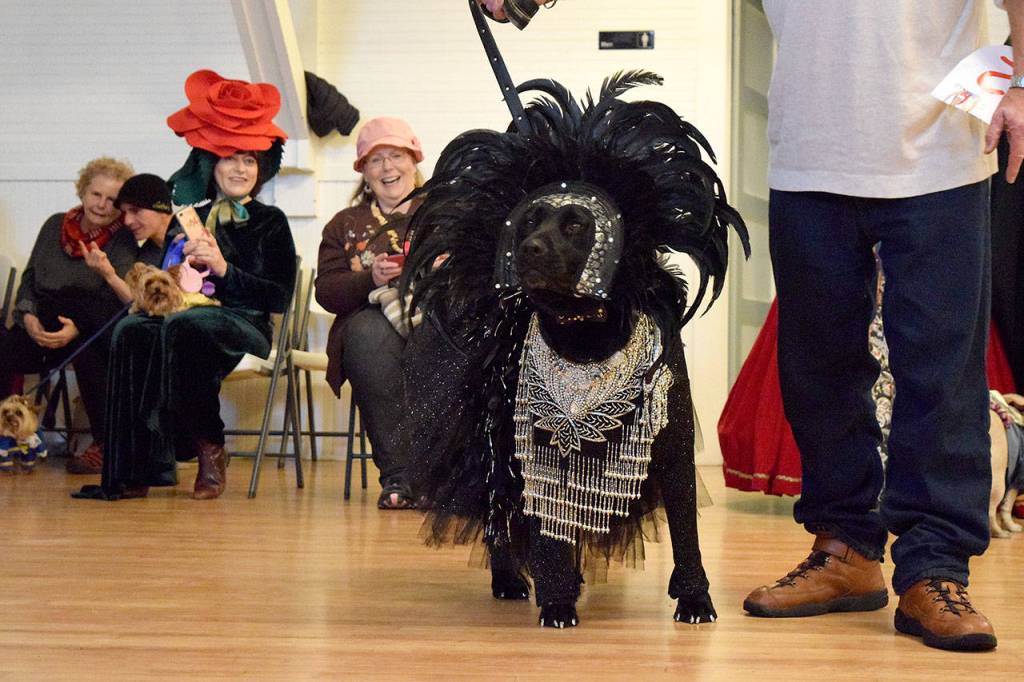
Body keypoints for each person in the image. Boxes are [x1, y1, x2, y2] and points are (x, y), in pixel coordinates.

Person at [741, 0, 1024, 653]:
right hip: (810, 149)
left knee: (941, 378)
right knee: (820, 370)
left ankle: (934, 571)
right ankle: (844, 549)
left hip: (941, 150)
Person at [74, 69, 296, 501]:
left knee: (187, 327)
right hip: (188, 316)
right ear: (211, 163)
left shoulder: (272, 222)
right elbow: (174, 291)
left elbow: (278, 297)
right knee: (132, 330)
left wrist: (224, 269)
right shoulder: (186, 219)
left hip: (244, 322)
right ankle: (133, 467)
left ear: (261, 167)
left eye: (249, 159)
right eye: (230, 157)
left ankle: (206, 446)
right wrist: (173, 271)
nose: (239, 167)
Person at [0, 157, 141, 475]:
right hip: (42, 319)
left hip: (87, 326)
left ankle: (105, 446)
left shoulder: (123, 239)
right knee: (3, 345)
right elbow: (30, 278)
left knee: (92, 353)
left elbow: (114, 300)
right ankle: (6, 434)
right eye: (96, 195)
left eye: (112, 200)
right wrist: (29, 317)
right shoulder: (54, 225)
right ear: (82, 191)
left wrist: (76, 329)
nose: (102, 206)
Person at [316, 117, 425, 509]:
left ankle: (449, 475)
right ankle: (399, 476)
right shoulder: (344, 224)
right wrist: (369, 279)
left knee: (454, 337)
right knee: (367, 335)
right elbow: (327, 292)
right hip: (370, 320)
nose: (387, 168)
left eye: (396, 156)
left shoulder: (446, 212)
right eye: (376, 160)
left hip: (436, 314)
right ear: (363, 171)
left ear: (414, 161)